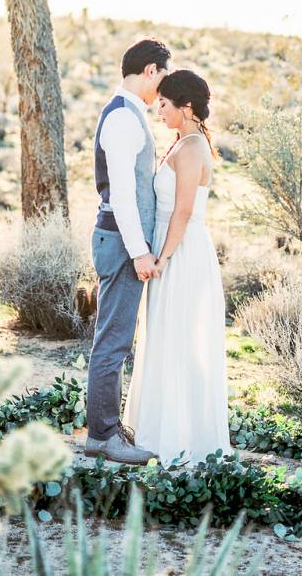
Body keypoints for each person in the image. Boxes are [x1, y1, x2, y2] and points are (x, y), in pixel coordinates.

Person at [124, 69, 231, 466]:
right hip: (172, 249)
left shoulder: (191, 148)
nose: (160, 112)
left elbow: (183, 211)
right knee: (166, 339)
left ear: (186, 106)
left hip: (182, 255)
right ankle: (156, 429)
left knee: (179, 340)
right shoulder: (184, 141)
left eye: (165, 105)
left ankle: (182, 438)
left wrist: (162, 258)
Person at [84, 38, 171, 464]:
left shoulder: (129, 114)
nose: (162, 90)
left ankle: (107, 428)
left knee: (115, 338)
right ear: (150, 70)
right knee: (113, 341)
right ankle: (102, 436)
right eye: (162, 78)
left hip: (120, 240)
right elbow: (122, 194)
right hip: (120, 241)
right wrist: (139, 251)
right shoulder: (122, 119)